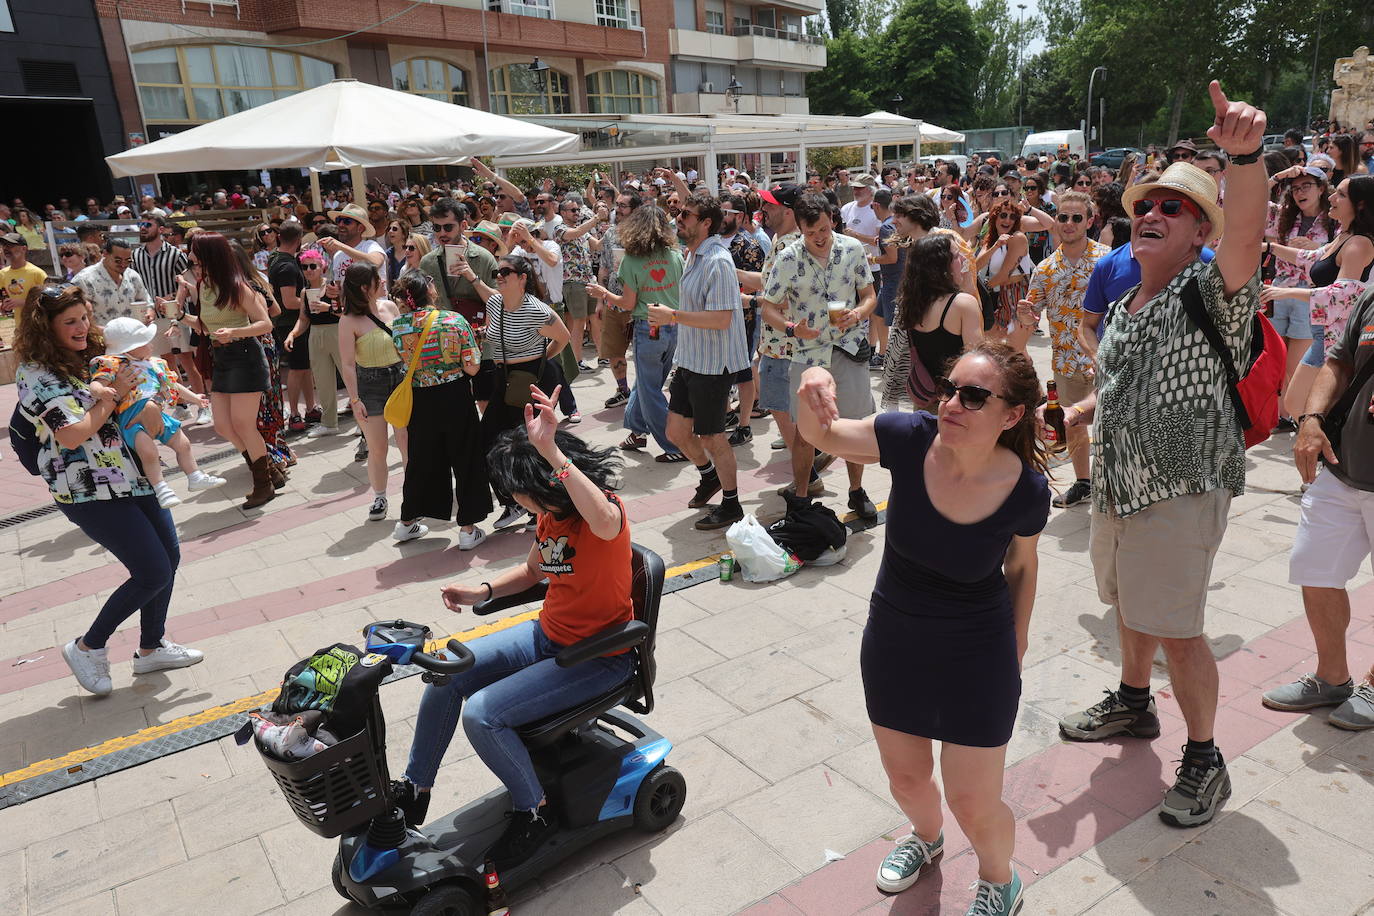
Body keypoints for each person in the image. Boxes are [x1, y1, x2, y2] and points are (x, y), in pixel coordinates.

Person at [1056, 82, 1268, 829]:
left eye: (1171, 207)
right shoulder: (1125, 302)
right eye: (1144, 205)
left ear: (1198, 230)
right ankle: (1135, 701)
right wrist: (1084, 408)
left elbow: (1246, 233)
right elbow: (1120, 380)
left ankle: (1206, 757)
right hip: (1120, 482)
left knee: (1178, 625)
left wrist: (1243, 158)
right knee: (1131, 607)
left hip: (1181, 483)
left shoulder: (1212, 289)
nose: (1149, 213)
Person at [794, 342, 1048, 915]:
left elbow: (1023, 565)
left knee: (972, 797)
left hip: (978, 650)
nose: (951, 403)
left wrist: (1018, 640)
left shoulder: (1027, 490)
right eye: (948, 388)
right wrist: (812, 379)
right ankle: (927, 840)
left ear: (1011, 415)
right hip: (896, 638)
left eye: (973, 395)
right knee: (906, 778)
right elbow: (825, 436)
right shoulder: (909, 439)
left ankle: (998, 879)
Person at [395, 391, 636, 870]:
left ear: (540, 485)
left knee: (484, 714)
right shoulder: (549, 517)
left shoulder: (602, 515)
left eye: (515, 492)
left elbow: (605, 520)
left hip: (595, 658)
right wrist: (481, 591)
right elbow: (531, 574)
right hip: (548, 637)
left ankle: (535, 812)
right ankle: (415, 789)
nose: (513, 500)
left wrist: (550, 450)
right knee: (445, 671)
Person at [14, 285, 204, 696]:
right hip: (86, 488)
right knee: (151, 570)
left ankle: (151, 648)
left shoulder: (93, 353)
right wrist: (110, 395)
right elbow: (72, 434)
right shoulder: (35, 372)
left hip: (130, 473)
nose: (83, 328)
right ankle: (88, 646)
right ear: (44, 328)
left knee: (168, 560)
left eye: (84, 317)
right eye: (70, 322)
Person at [762, 192, 880, 519]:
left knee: (856, 426)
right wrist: (790, 328)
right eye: (812, 233)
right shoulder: (787, 258)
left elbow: (869, 295)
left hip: (848, 347)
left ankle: (856, 492)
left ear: (832, 220)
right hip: (808, 353)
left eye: (825, 230)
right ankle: (801, 497)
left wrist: (858, 313)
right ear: (799, 227)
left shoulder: (852, 249)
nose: (820, 238)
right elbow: (768, 307)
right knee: (804, 431)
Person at [457, 253, 570, 533]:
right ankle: (515, 501)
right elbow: (486, 290)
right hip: (501, 380)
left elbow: (564, 337)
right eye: (498, 271)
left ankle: (541, 506)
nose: (500, 275)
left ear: (522, 278)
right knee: (488, 442)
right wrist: (471, 275)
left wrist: (541, 359)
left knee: (530, 446)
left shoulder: (536, 309)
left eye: (506, 272)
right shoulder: (496, 303)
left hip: (528, 381)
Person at [659, 193, 751, 530]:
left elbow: (722, 319)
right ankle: (709, 476)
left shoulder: (718, 261)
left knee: (712, 437)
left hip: (713, 365)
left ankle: (732, 504)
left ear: (706, 222)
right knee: (676, 431)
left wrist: (672, 316)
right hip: (691, 358)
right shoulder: (694, 254)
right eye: (679, 212)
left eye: (686, 214)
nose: (679, 218)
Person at [386, 270, 490, 546]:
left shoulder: (399, 326)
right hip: (455, 394)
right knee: (465, 457)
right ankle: (468, 529)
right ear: (430, 291)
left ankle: (407, 521)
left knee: (422, 459)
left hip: (421, 397)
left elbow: (403, 359)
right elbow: (472, 366)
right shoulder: (453, 320)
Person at [1019, 190, 1109, 507]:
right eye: (1063, 217)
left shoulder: (1107, 259)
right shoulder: (1044, 268)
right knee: (1073, 427)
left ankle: (1115, 483)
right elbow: (1031, 311)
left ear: (1089, 220)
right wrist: (1025, 314)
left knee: (1114, 424)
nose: (1068, 223)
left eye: (1076, 218)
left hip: (1107, 361)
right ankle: (1084, 482)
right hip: (1067, 363)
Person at [1262, 176, 1374, 427]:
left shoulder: (1358, 243)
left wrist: (1285, 292)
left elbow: (1341, 296)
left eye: (1341, 195)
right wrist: (1269, 248)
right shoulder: (1344, 236)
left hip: (1337, 342)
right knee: (1301, 407)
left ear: (1361, 204)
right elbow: (1309, 257)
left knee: (1304, 407)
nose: (1332, 198)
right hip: (1324, 337)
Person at [176, 232, 277, 509]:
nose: (191, 258)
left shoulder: (237, 286)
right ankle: (268, 470)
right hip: (222, 359)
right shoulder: (205, 285)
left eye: (195, 254)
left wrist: (234, 331)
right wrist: (178, 314)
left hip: (245, 356)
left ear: (210, 255)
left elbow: (265, 324)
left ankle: (263, 484)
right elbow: (206, 327)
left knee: (244, 424)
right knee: (222, 425)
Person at [89, 316, 224, 508]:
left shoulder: (155, 363)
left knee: (183, 444)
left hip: (158, 413)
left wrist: (196, 399)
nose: (151, 345)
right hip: (131, 418)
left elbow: (174, 385)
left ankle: (195, 475)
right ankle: (161, 488)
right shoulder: (112, 364)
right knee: (149, 453)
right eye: (145, 342)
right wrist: (101, 391)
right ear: (128, 348)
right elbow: (96, 383)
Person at [587, 204, 685, 462]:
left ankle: (674, 445)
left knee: (650, 388)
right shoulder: (675, 255)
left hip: (649, 327)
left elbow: (628, 303)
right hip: (673, 327)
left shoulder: (631, 260)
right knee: (646, 383)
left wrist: (604, 294)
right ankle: (637, 431)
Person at [1264, 166, 1338, 426]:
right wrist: (1278, 177)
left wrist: (1318, 247)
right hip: (1279, 291)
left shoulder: (1335, 219)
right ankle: (1279, 413)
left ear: (1321, 188)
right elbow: (1254, 201)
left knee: (1297, 362)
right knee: (1275, 356)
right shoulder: (1285, 216)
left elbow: (1350, 246)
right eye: (1295, 188)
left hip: (1310, 295)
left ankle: (1291, 415)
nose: (1299, 192)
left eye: (1306, 186)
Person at [337, 263, 408, 523]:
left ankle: (413, 497)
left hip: (400, 380)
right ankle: (380, 497)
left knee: (406, 443)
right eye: (377, 278)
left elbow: (404, 345)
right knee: (378, 448)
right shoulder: (347, 320)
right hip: (370, 385)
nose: (383, 281)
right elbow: (347, 364)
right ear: (365, 287)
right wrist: (354, 400)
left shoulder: (390, 307)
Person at [897, 233, 983, 410]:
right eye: (957, 256)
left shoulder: (911, 301)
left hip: (925, 399)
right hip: (957, 405)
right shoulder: (962, 304)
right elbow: (976, 359)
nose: (963, 259)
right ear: (943, 266)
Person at [418, 197, 498, 327]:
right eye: (437, 228)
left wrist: (473, 278)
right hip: (441, 336)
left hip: (476, 339)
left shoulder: (484, 258)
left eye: (448, 227)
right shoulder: (427, 262)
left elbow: (500, 302)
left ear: (463, 226)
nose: (442, 233)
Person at [268, 222, 317, 431]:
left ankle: (311, 407)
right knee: (297, 370)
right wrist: (313, 301)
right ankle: (295, 413)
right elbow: (289, 301)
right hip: (291, 323)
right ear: (298, 240)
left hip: (288, 322)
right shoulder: (286, 265)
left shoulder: (274, 258)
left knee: (304, 367)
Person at [974, 199, 1033, 352]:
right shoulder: (991, 240)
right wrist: (995, 246)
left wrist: (983, 290)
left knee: (1016, 349)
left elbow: (1004, 275)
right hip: (998, 296)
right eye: (1003, 215)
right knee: (992, 345)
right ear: (995, 217)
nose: (1008, 220)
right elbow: (975, 266)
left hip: (1015, 296)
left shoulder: (1018, 238)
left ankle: (1027, 375)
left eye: (1013, 217)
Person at [74, 238, 152, 327]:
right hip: (100, 338)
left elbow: (147, 302)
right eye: (118, 260)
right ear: (105, 254)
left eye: (128, 261)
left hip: (133, 335)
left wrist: (149, 313)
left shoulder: (133, 276)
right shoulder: (84, 280)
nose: (123, 264)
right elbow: (75, 315)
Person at [1, 232, 49, 325]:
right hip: (20, 327)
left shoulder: (37, 273)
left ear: (24, 249)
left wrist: (23, 302)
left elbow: (50, 300)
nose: (6, 248)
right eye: (4, 245)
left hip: (39, 326)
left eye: (10, 245)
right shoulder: (2, 274)